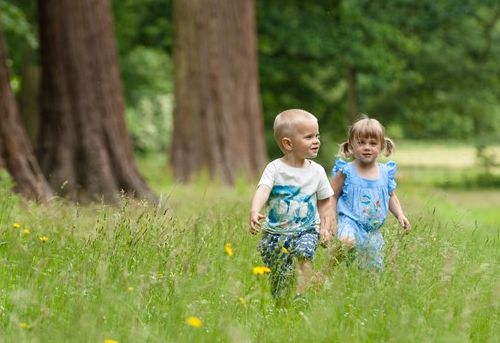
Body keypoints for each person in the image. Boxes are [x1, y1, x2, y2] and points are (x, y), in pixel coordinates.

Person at [249, 109, 334, 305]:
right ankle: (282, 302)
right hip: (275, 233)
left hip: (306, 230)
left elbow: (325, 199)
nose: (316, 141)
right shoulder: (274, 168)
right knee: (280, 275)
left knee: (305, 254)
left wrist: (324, 226)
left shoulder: (317, 171)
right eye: (309, 137)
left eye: (317, 136)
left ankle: (301, 296)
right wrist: (255, 210)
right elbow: (263, 189)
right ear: (288, 143)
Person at [330, 116, 410, 270]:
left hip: (372, 228)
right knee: (347, 242)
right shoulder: (346, 171)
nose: (367, 147)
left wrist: (400, 215)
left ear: (381, 147)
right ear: (351, 146)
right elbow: (332, 195)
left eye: (373, 143)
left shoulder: (385, 172)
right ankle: (329, 270)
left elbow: (390, 196)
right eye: (361, 143)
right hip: (349, 221)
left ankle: (357, 282)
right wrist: (330, 219)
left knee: (372, 269)